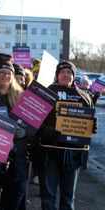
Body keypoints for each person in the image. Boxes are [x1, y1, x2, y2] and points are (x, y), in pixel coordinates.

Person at [38, 61, 95, 210]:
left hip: (73, 154)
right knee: (47, 197)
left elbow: (88, 125)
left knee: (68, 199)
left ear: (74, 76)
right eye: (62, 72)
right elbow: (34, 119)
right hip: (50, 151)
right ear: (57, 75)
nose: (66, 75)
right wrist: (45, 130)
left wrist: (92, 127)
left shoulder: (84, 96)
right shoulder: (46, 93)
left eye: (69, 72)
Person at [0, 55, 29, 210]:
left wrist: (24, 133)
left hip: (18, 158)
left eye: (9, 73)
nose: (5, 75)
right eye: (1, 72)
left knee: (16, 195)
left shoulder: (22, 98)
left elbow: (33, 126)